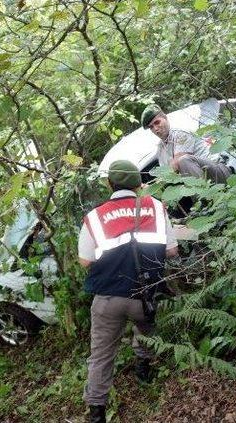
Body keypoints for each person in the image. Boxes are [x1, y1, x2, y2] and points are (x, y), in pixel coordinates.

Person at [78, 160, 179, 423]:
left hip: (108, 298)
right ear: (139, 184)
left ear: (110, 184)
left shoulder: (94, 217)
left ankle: (97, 412)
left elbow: (85, 261)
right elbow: (172, 250)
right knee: (146, 333)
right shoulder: (156, 207)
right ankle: (143, 368)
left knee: (101, 354)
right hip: (145, 295)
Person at [141, 104, 232, 183]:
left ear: (165, 118)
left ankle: (204, 199)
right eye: (151, 127)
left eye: (157, 122)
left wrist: (161, 180)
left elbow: (175, 165)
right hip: (200, 179)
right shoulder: (160, 149)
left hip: (218, 172)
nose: (155, 129)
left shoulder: (181, 134)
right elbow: (166, 175)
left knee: (183, 160)